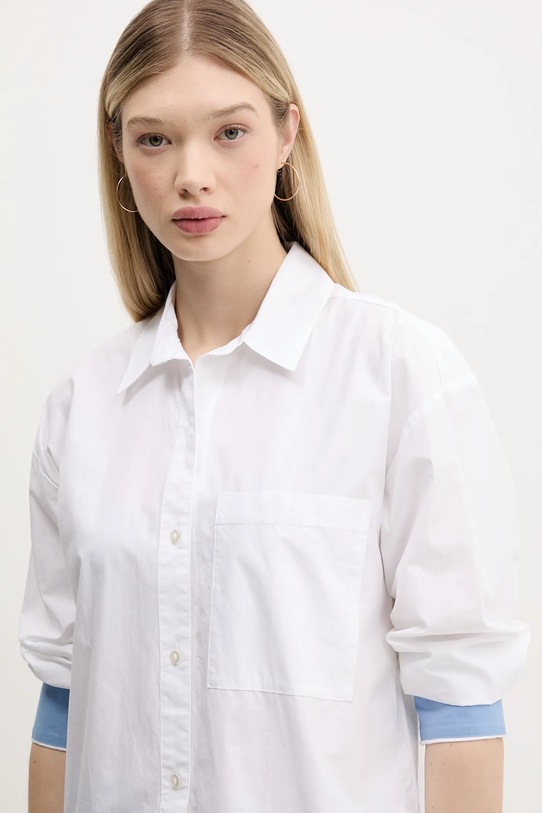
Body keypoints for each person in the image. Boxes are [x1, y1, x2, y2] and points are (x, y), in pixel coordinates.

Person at [19, 0, 531, 811]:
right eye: (154, 139)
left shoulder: (399, 377)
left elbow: (460, 696)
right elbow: (63, 695)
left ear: (288, 132)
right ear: (118, 150)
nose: (192, 174)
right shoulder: (82, 410)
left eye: (229, 131)